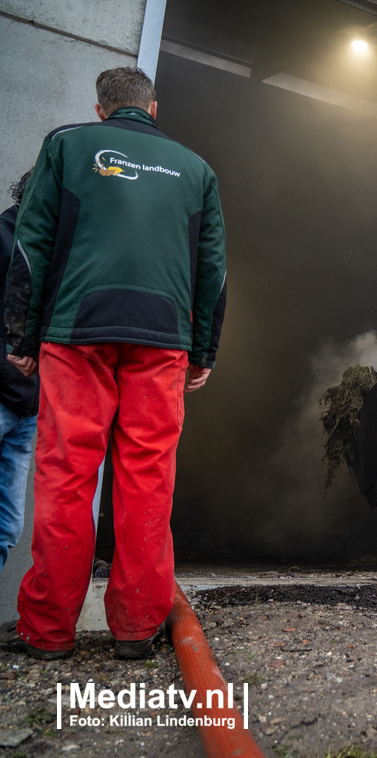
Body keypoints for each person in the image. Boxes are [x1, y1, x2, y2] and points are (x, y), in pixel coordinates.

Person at [0, 67, 227, 660]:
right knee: (148, 480)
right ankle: (135, 630)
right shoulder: (197, 169)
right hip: (162, 340)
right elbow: (214, 274)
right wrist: (202, 350)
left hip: (78, 332)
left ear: (101, 110)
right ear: (154, 107)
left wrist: (21, 337)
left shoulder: (67, 145)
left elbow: (31, 243)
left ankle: (48, 633)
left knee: (66, 479)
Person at [0, 171, 38, 574]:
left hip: (27, 411)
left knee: (7, 529)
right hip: (4, 398)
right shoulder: (2, 235)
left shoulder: (45, 247)